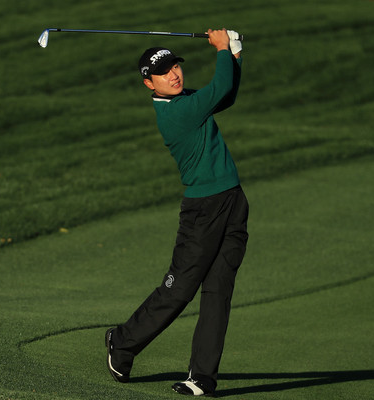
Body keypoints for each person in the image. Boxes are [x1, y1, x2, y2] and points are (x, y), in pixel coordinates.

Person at [105, 28, 248, 397]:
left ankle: (202, 377)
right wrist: (221, 49)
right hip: (203, 210)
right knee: (180, 288)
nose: (173, 74)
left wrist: (234, 54)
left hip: (232, 202)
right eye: (163, 72)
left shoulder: (187, 100)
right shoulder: (177, 113)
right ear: (148, 83)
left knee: (218, 291)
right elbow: (220, 88)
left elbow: (227, 95)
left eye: (174, 66)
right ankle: (122, 341)